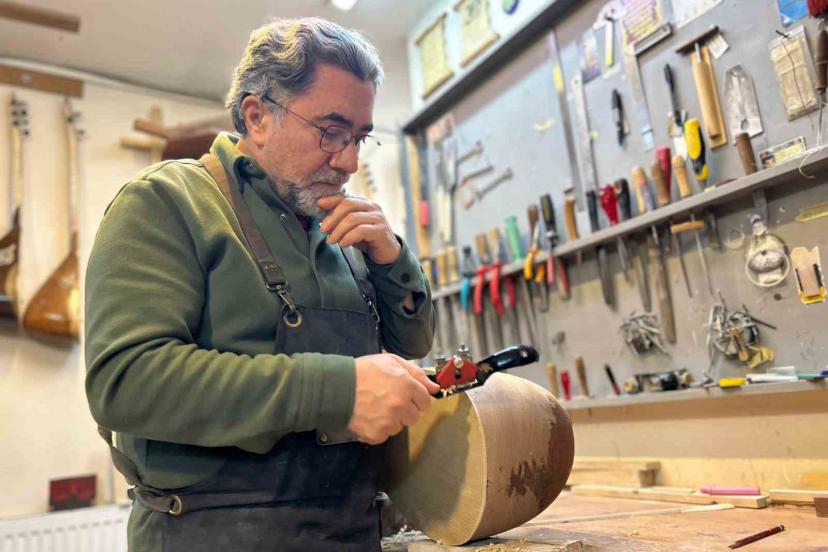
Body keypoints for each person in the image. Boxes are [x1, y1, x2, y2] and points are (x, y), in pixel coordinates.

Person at [84, 17, 437, 551]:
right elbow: (125, 381)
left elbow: (412, 343)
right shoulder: (168, 201)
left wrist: (392, 258)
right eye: (331, 131)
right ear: (258, 116)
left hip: (354, 529)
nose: (349, 160)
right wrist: (335, 391)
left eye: (360, 137)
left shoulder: (341, 226)